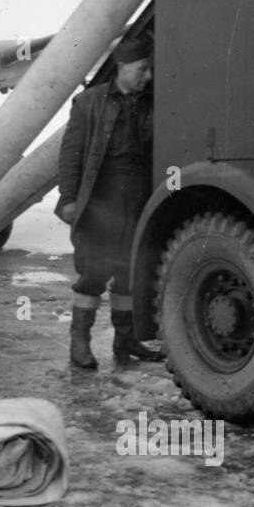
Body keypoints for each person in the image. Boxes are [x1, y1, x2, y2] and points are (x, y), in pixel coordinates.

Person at [56, 36, 165, 369]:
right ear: (122, 66)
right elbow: (71, 155)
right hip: (100, 203)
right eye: (142, 69)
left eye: (150, 69)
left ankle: (126, 340)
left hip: (138, 201)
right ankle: (80, 343)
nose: (147, 76)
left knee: (128, 275)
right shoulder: (88, 103)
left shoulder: (152, 102)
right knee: (93, 274)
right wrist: (69, 199)